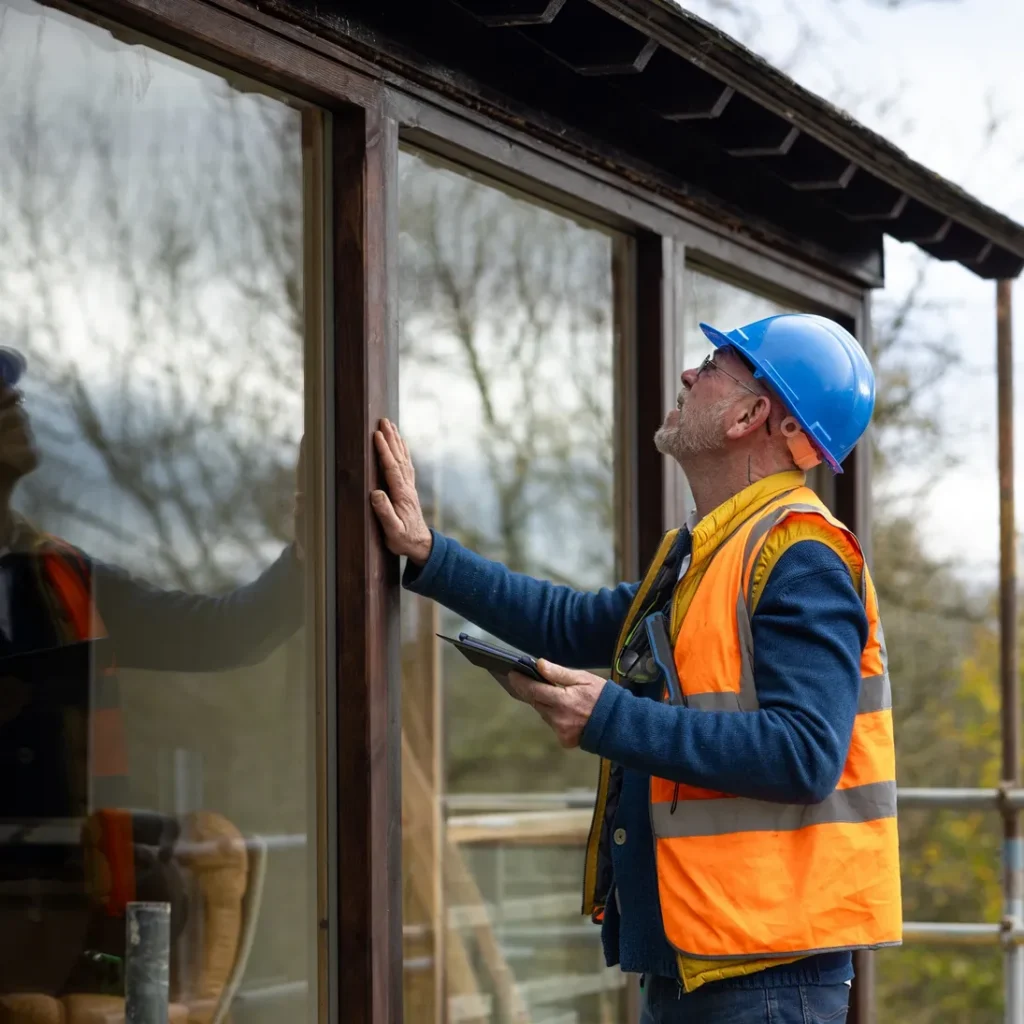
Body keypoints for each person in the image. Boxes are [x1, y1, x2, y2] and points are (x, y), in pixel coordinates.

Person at [370, 314, 900, 1024]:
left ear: (750, 416)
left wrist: (609, 717)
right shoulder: (710, 554)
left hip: (763, 981)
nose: (688, 374)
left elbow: (804, 755)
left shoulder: (801, 559)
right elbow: (567, 622)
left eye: (712, 367)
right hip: (710, 962)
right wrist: (427, 552)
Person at [0, 348, 306, 999]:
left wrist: (312, 552)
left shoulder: (59, 576)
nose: (13, 396)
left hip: (63, 916)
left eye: (12, 392)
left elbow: (223, 632)